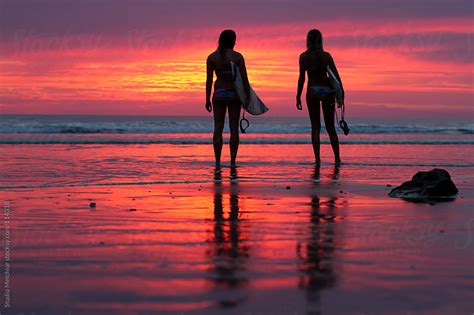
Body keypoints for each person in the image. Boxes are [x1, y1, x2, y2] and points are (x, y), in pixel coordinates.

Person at [296, 29, 345, 164]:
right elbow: (335, 76)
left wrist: (298, 96)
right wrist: (341, 94)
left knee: (315, 127)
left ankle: (317, 160)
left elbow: (301, 78)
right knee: (330, 127)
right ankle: (337, 158)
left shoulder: (303, 57)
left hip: (312, 90)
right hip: (327, 90)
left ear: (308, 40)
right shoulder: (326, 56)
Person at [206, 30, 250, 167]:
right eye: (234, 39)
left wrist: (207, 99)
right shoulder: (237, 57)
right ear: (232, 41)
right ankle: (232, 162)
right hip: (233, 94)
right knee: (233, 129)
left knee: (218, 128)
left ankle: (218, 162)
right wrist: (247, 97)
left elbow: (208, 80)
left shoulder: (212, 57)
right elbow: (244, 79)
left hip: (218, 93)